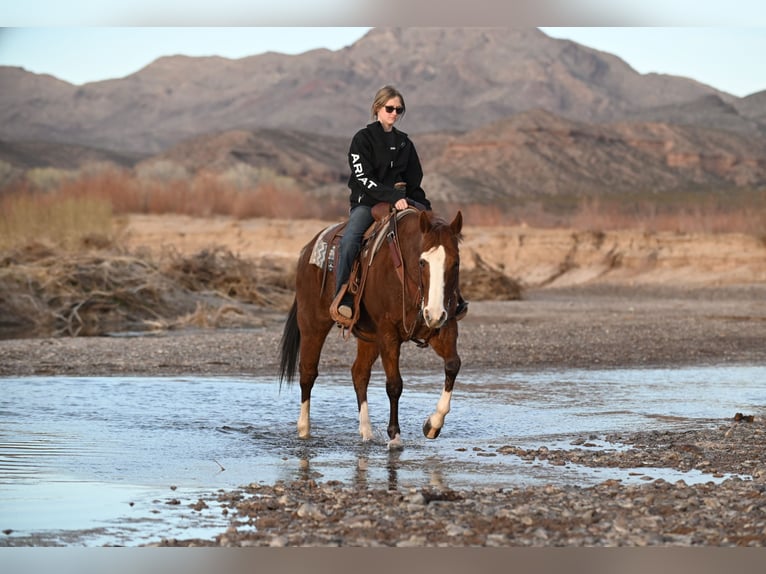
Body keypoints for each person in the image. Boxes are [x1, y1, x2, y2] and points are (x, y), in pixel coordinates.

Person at [333, 85, 467, 321]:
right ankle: (342, 296)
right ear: (377, 108)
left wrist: (425, 207)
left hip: (405, 202)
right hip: (368, 203)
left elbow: (415, 181)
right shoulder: (362, 140)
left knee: (441, 239)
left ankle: (452, 296)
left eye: (399, 109)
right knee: (351, 238)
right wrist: (393, 196)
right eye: (390, 108)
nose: (394, 113)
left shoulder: (405, 144)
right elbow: (363, 178)